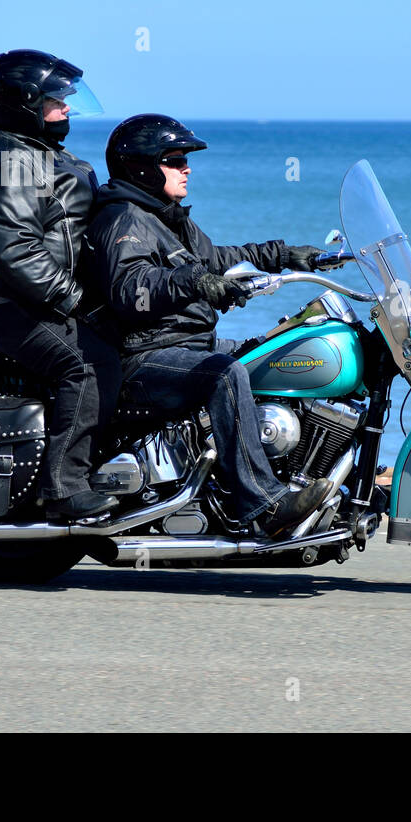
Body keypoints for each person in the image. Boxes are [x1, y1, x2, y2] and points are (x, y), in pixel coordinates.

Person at [86, 113, 332, 537]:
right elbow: (130, 288)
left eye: (185, 160)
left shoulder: (165, 217)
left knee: (275, 351)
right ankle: (264, 505)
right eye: (175, 160)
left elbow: (216, 258)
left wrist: (284, 254)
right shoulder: (124, 219)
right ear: (142, 166)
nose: (187, 168)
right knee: (224, 374)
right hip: (144, 356)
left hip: (186, 343)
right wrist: (195, 282)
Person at [0, 49, 121, 521]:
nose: (67, 108)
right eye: (56, 100)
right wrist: (80, 303)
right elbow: (17, 253)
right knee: (89, 364)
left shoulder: (38, 151)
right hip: (10, 302)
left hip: (37, 297)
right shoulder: (8, 161)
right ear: (23, 104)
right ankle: (64, 489)